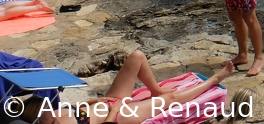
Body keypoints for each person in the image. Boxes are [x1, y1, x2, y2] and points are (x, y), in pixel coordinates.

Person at [20, 50, 237, 124]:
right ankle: (215, 80)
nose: (47, 107)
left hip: (109, 102)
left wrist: (94, 101)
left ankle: (156, 90)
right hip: (119, 116)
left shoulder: (52, 114)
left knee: (136, 57)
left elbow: (79, 111)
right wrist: (114, 110)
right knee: (170, 102)